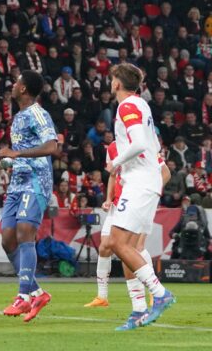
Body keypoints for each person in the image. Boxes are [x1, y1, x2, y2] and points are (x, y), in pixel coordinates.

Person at [106, 63, 176, 330]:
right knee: (130, 248)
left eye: (112, 78)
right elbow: (153, 146)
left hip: (139, 183)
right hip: (147, 181)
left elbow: (137, 143)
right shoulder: (142, 104)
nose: (110, 82)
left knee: (116, 243)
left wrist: (117, 161)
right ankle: (138, 310)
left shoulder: (127, 106)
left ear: (117, 83)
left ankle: (160, 294)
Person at [0, 70, 57, 322]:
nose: (13, 84)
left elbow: (51, 146)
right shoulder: (19, 117)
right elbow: (22, 151)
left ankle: (23, 296)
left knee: (24, 233)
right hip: (17, 183)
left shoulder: (37, 114)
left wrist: (16, 155)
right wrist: (8, 162)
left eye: (17, 81)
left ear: (23, 89)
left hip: (35, 182)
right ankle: (37, 292)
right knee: (7, 240)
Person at [85, 141, 170, 313]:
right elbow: (113, 175)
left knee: (135, 248)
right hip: (119, 205)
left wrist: (150, 193)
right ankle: (102, 296)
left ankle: (154, 292)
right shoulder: (113, 147)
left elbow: (165, 173)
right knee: (105, 247)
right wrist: (109, 199)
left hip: (139, 203)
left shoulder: (144, 143)